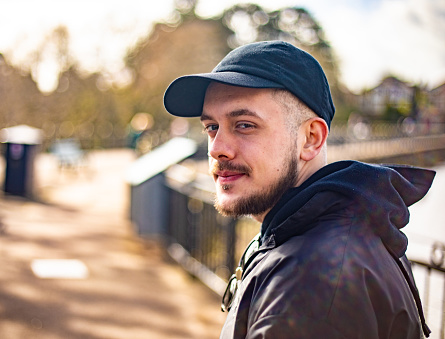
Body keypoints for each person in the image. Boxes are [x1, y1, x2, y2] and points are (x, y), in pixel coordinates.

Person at [163, 41, 434, 338]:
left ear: (311, 139)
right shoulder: (323, 233)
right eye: (212, 127)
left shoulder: (311, 283)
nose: (216, 149)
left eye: (244, 125)